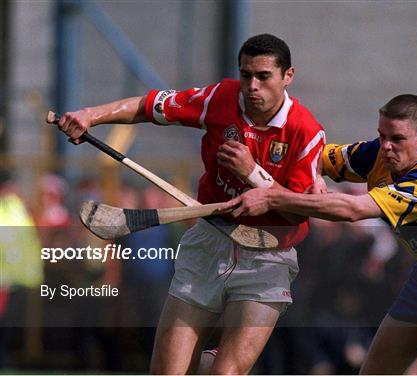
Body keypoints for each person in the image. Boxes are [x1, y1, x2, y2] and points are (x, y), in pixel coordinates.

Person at [56, 33, 326, 374]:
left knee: (226, 372)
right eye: (246, 75)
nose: (252, 86)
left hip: (267, 255)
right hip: (208, 243)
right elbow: (147, 106)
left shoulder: (305, 131)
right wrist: (90, 115)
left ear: (288, 76)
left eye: (263, 76)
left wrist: (254, 175)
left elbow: (299, 210)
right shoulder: (220, 98)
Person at [227, 94, 417, 374]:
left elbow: (351, 210)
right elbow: (314, 155)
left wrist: (270, 196)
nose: (387, 147)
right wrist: (297, 170)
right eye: (382, 136)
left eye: (397, 139)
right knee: (374, 371)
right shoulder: (380, 153)